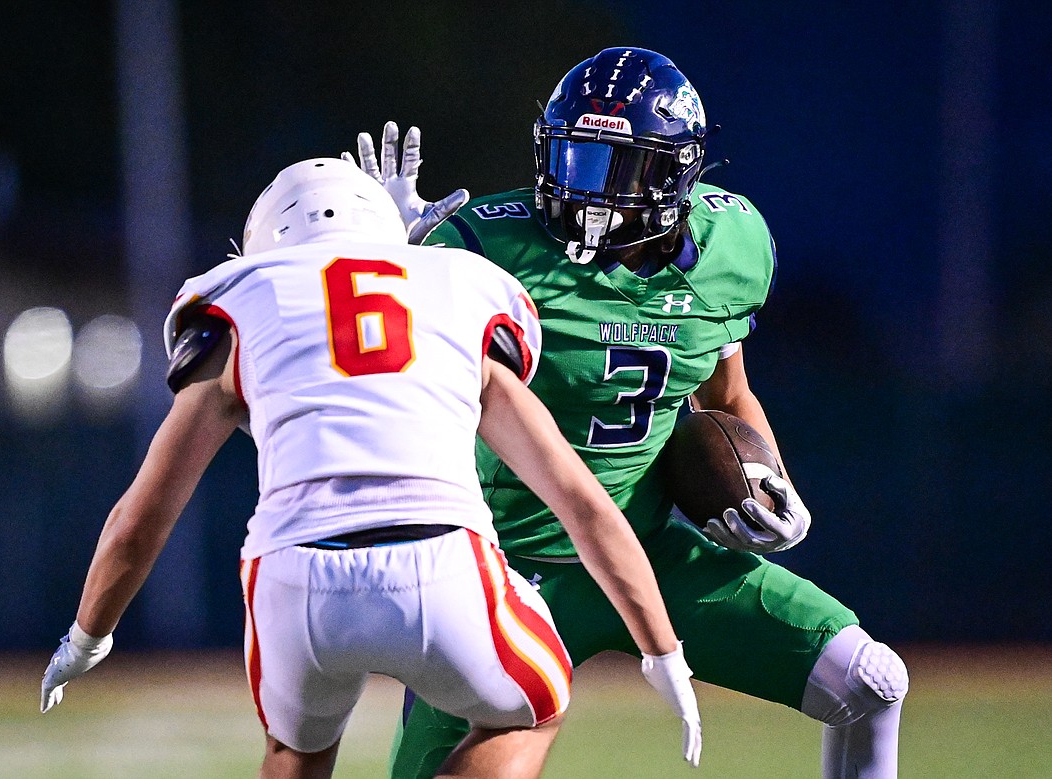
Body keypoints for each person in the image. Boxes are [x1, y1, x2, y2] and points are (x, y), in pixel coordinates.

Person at [39, 156, 703, 779]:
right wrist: (662, 649)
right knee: (536, 703)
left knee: (293, 753)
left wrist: (87, 637)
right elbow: (582, 502)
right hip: (442, 564)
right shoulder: (460, 291)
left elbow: (141, 518)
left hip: (293, 574)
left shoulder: (245, 304)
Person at [351, 47, 909, 779]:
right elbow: (371, 366)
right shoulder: (482, 245)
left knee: (871, 681)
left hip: (645, 557)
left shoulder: (730, 247)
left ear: (675, 174)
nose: (581, 187)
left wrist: (771, 480)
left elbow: (726, 394)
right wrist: (376, 264)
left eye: (614, 164)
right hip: (503, 574)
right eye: (573, 157)